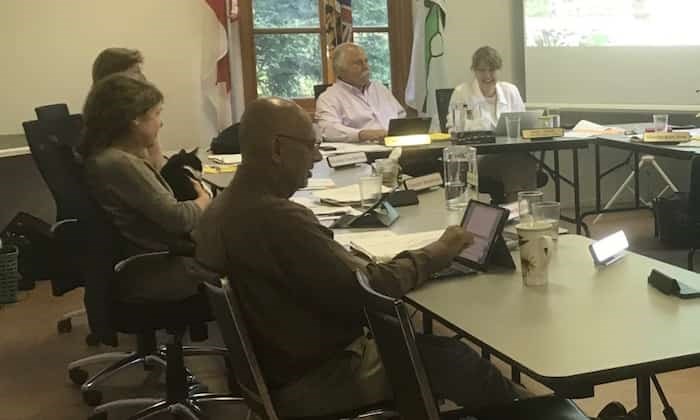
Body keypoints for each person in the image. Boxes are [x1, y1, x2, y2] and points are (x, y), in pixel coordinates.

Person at [194, 96, 525, 417]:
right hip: (316, 379)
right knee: (453, 359)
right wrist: (438, 252)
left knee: (434, 349)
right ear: (278, 149)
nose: (317, 156)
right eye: (310, 145)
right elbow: (372, 288)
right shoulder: (278, 219)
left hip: (276, 369)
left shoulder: (222, 207)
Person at [80, 74, 211, 301]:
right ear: (134, 120)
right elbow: (178, 219)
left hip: (154, 260)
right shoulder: (120, 165)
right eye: (156, 114)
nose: (160, 123)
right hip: (161, 271)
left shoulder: (109, 158)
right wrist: (204, 199)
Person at [449, 46, 537, 202]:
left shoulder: (511, 91)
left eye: (492, 70)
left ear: (499, 70)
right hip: (478, 161)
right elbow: (454, 130)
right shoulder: (462, 93)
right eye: (482, 70)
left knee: (523, 162)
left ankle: (518, 210)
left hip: (512, 155)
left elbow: (525, 127)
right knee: (519, 164)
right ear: (474, 71)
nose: (487, 75)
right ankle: (522, 215)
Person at [90, 47, 165, 170]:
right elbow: (156, 166)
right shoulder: (120, 128)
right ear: (115, 79)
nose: (143, 78)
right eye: (136, 72)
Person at [315, 43, 405, 143]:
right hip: (362, 153)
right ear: (340, 70)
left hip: (397, 146)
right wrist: (363, 134)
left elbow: (401, 116)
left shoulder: (380, 89)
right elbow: (328, 130)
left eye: (366, 61)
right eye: (358, 63)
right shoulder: (328, 98)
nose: (365, 66)